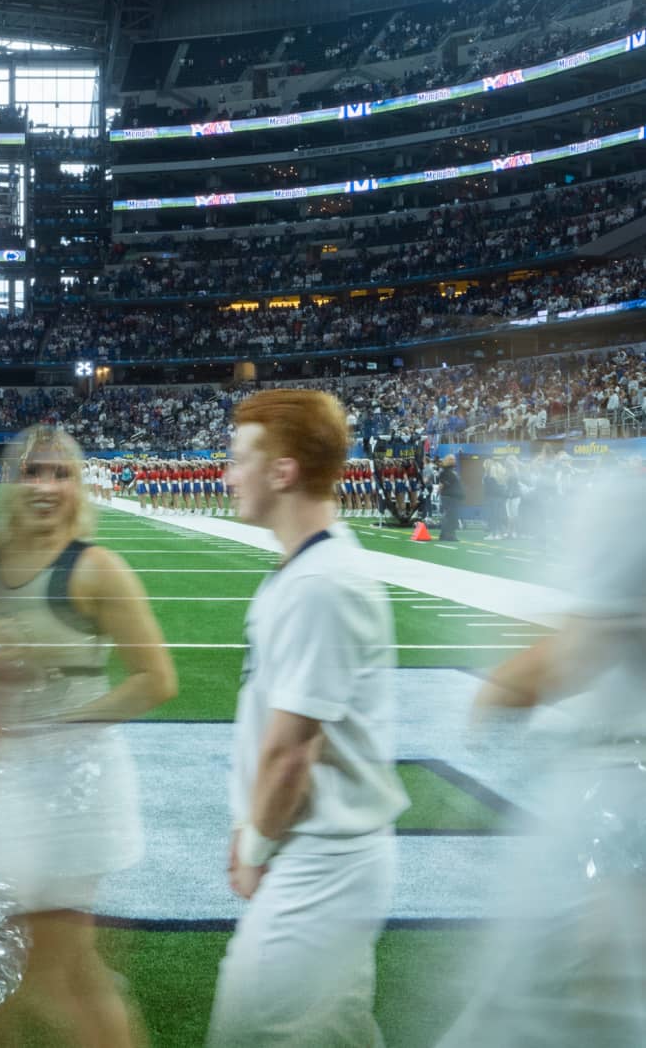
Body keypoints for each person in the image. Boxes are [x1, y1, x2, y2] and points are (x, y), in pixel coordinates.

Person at [0, 426, 176, 1047]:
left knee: (63, 972)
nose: (46, 486)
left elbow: (156, 678)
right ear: (11, 481)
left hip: (73, 790)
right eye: (33, 472)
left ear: (78, 486)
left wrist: (64, 727)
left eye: (61, 474)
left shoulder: (95, 568)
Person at [207, 389, 405, 1048]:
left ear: (283, 471)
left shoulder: (321, 582)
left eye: (239, 459)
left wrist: (257, 844)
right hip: (322, 851)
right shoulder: (311, 570)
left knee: (250, 1032)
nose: (227, 474)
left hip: (322, 856)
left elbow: (293, 750)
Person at [433, 462, 646, 1045]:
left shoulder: (630, 500)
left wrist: (499, 689)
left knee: (532, 1006)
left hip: (624, 793)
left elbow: (586, 647)